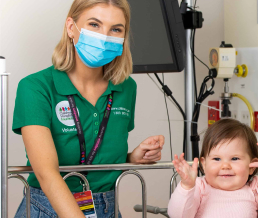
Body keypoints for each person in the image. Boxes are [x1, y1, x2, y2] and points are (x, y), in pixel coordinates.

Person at [12, 1, 164, 217]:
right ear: (71, 27)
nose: (104, 36)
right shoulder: (36, 87)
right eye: (94, 24)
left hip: (107, 207)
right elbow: (46, 173)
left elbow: (97, 155)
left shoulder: (126, 88)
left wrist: (132, 157)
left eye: (116, 29)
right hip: (49, 207)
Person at [167, 119, 258, 218]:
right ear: (204, 164)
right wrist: (186, 187)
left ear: (252, 166)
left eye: (235, 159)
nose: (225, 166)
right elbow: (178, 215)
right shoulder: (199, 188)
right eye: (217, 159)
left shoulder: (255, 190)